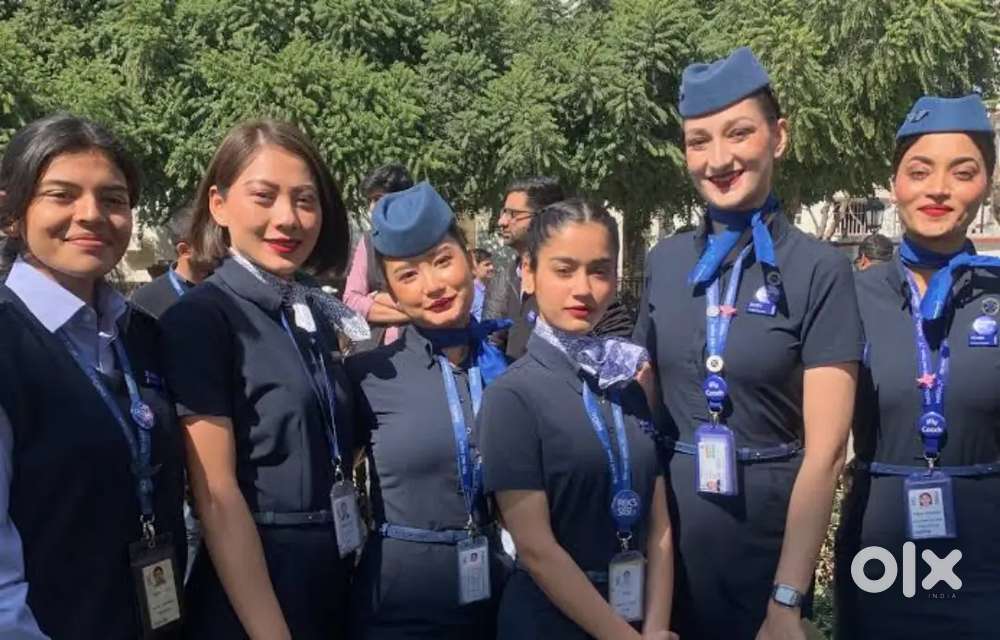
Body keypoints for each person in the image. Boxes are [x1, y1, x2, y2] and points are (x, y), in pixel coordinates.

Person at [633, 47, 862, 639]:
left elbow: (827, 452)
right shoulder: (665, 261)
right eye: (698, 141)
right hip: (670, 543)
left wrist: (787, 598)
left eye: (738, 133)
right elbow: (644, 411)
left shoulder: (819, 271)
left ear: (778, 136)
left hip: (771, 543)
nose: (718, 159)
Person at [159, 120, 368, 639]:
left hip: (332, 571)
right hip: (256, 587)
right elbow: (216, 496)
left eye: (305, 200)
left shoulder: (312, 314)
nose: (288, 218)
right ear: (219, 205)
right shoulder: (204, 319)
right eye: (264, 196)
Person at [0, 114, 186, 638]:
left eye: (113, 199)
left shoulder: (141, 335)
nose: (92, 215)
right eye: (62, 195)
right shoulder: (9, 342)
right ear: (11, 214)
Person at [835, 94, 1000, 639]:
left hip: (987, 553)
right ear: (894, 183)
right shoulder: (849, 296)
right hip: (879, 551)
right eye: (920, 171)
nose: (938, 189)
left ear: (987, 183)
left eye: (963, 172)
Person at [479, 200, 675, 639]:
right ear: (529, 273)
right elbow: (536, 548)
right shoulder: (512, 396)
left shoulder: (626, 383)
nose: (583, 289)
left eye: (599, 271)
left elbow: (659, 524)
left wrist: (657, 625)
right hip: (550, 620)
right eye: (564, 270)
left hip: (638, 616)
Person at [346, 182, 512, 639]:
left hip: (498, 597)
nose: (433, 285)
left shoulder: (508, 372)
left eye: (442, 261)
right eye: (408, 275)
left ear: (470, 261)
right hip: (400, 607)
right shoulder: (368, 377)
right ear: (391, 293)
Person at [484, 177, 633, 360]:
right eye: (504, 212)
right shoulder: (503, 280)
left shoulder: (589, 293)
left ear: (545, 216)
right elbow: (491, 343)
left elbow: (619, 341)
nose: (502, 222)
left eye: (513, 214)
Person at [343, 163, 415, 350]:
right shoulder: (368, 242)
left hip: (420, 346)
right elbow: (351, 301)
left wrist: (377, 298)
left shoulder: (425, 239)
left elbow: (428, 300)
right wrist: (412, 314)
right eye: (370, 200)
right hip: (374, 349)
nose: (372, 208)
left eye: (378, 199)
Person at [131, 206, 214, 318]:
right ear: (184, 250)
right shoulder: (144, 301)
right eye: (211, 244)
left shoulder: (225, 289)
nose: (221, 248)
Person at [471, 248, 495, 320]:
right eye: (487, 265)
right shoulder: (470, 294)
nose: (492, 267)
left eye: (491, 264)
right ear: (474, 268)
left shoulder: (492, 290)